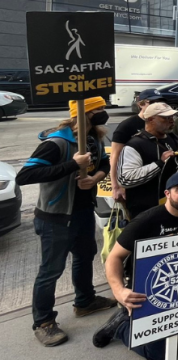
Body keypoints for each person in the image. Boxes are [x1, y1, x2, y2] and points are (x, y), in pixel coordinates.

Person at [16, 96, 116, 346]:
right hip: (56, 217)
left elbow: (103, 162)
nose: (105, 112)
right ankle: (44, 322)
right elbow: (25, 175)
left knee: (84, 256)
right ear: (87, 112)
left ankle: (85, 301)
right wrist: (72, 165)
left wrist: (95, 179)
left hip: (82, 212)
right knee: (51, 270)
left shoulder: (94, 137)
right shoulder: (57, 143)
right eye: (100, 109)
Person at [93, 172, 178, 360]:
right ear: (167, 193)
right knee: (157, 354)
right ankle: (121, 325)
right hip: (148, 285)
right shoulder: (146, 220)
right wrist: (119, 291)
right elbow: (114, 257)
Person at [118, 103, 178, 218]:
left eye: (172, 117)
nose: (172, 121)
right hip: (146, 211)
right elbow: (126, 179)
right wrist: (159, 164)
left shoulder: (175, 139)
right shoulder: (135, 145)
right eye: (166, 118)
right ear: (151, 119)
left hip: (174, 209)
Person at [110, 88, 164, 203]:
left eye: (160, 102)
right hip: (135, 185)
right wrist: (116, 186)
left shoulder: (162, 122)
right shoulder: (127, 126)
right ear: (141, 104)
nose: (157, 105)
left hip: (157, 183)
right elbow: (115, 156)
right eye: (152, 102)